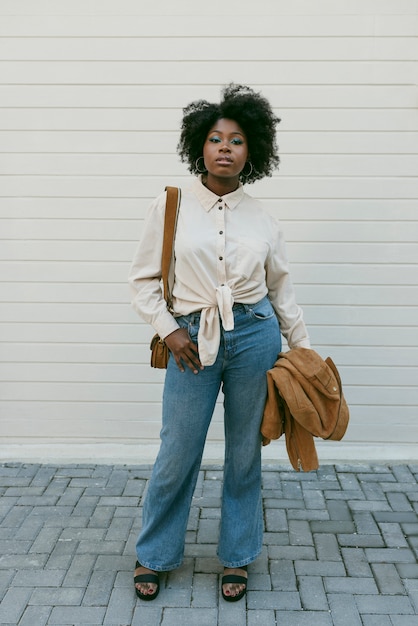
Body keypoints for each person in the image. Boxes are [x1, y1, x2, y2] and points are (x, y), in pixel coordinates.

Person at [128, 84, 310, 602]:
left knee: (244, 454)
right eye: (214, 138)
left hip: (255, 335)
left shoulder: (264, 219)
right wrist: (169, 329)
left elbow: (282, 291)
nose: (225, 147)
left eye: (236, 139)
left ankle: (237, 556)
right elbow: (141, 281)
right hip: (191, 338)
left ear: (252, 151)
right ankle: (155, 554)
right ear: (199, 147)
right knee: (178, 450)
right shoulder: (172, 207)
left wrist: (302, 351)